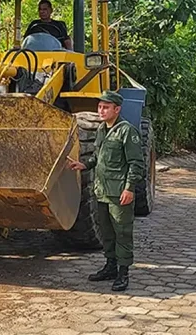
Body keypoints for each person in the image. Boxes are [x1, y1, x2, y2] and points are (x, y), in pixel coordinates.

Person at [67, 91, 145, 292]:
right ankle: (110, 266)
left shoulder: (127, 131)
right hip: (102, 192)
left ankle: (123, 273)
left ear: (117, 109)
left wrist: (129, 189)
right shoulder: (102, 129)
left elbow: (136, 164)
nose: (100, 111)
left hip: (119, 193)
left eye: (105, 107)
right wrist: (84, 165)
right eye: (100, 107)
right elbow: (97, 157)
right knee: (107, 233)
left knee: (122, 232)